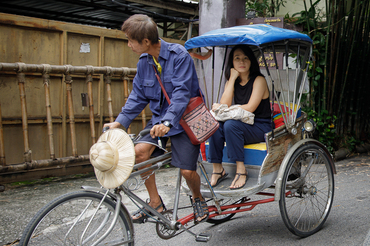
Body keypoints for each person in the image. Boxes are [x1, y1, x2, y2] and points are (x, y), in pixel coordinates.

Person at [104, 14, 208, 223]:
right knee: (139, 153)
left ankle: (198, 197)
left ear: (145, 41)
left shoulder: (179, 56)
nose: (128, 45)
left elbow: (181, 94)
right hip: (160, 121)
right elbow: (138, 95)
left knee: (188, 172)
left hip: (184, 121)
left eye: (130, 40)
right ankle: (155, 202)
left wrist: (168, 122)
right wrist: (120, 122)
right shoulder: (144, 62)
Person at [206, 45, 272, 190]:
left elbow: (250, 107)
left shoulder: (259, 80)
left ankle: (241, 170)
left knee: (230, 125)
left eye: (245, 58)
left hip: (260, 125)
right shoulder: (233, 81)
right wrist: (232, 78)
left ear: (251, 61)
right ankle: (218, 169)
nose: (241, 61)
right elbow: (225, 104)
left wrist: (226, 109)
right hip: (242, 123)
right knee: (215, 125)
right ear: (232, 63)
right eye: (237, 58)